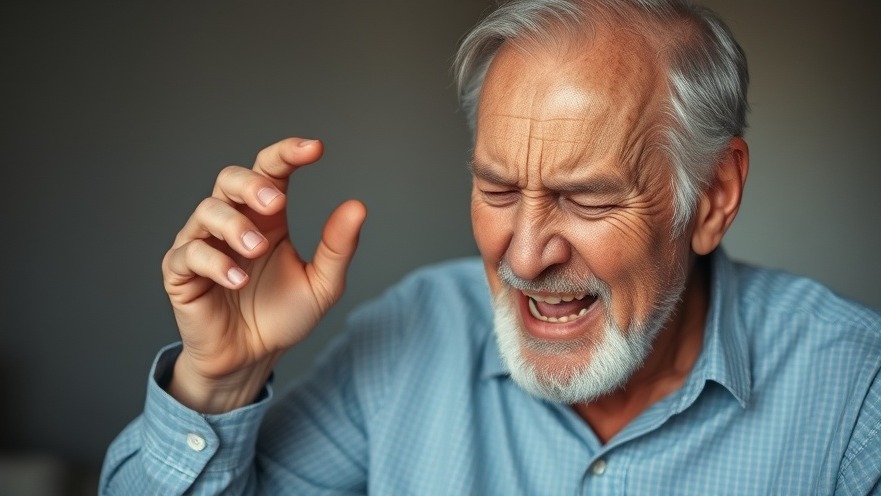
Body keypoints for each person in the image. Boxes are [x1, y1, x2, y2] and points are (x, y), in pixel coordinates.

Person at [101, 0, 881, 494]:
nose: (527, 253)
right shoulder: (413, 330)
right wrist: (222, 379)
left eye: (586, 197)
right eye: (499, 191)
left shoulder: (854, 397)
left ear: (710, 198)